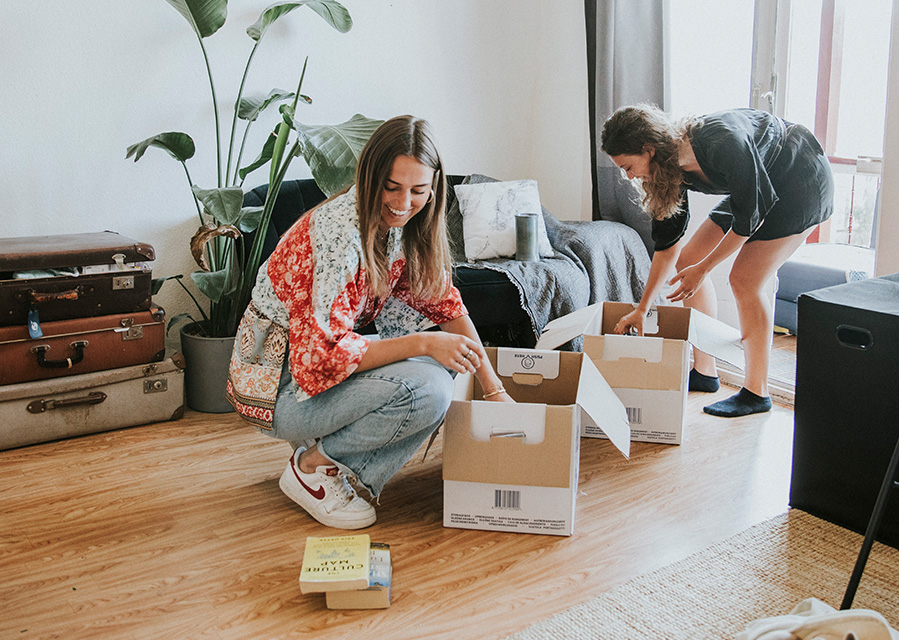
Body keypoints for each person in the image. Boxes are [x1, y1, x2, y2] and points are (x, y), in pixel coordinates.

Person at [227, 115, 512, 529]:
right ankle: (312, 467)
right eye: (391, 187)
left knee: (437, 374)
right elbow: (319, 357)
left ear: (434, 189)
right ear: (369, 176)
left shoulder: (405, 227)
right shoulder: (338, 234)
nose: (402, 202)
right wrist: (423, 344)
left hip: (307, 370)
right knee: (428, 388)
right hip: (279, 385)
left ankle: (333, 457)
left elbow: (448, 306)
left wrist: (494, 390)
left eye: (418, 190)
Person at [600, 105, 833, 418]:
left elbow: (750, 216)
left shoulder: (720, 141)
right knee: (688, 259)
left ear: (649, 150)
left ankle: (756, 392)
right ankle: (705, 371)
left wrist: (705, 270)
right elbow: (667, 246)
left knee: (744, 280)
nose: (628, 176)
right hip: (758, 186)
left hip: (799, 181)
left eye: (628, 166)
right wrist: (642, 309)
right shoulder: (667, 170)